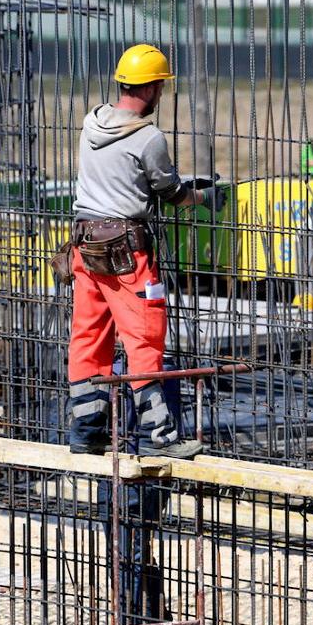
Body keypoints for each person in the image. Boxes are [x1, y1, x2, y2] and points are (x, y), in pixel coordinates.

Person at [66, 43, 223, 460]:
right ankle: (160, 437)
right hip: (126, 256)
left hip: (85, 247)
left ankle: (86, 431)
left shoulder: (91, 122)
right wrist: (205, 197)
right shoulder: (149, 137)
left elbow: (124, 178)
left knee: (88, 337)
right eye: (160, 86)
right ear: (153, 87)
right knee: (144, 338)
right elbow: (169, 191)